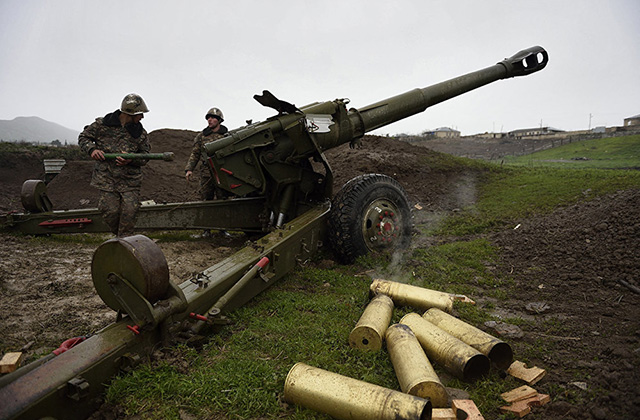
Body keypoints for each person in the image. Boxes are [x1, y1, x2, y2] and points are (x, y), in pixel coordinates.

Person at [78, 93, 151, 237]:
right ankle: (119, 238)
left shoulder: (140, 133)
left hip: (130, 180)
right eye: (140, 114)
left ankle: (124, 243)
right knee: (110, 211)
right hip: (107, 179)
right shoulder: (102, 125)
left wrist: (131, 159)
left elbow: (145, 155)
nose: (142, 117)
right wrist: (92, 149)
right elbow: (83, 137)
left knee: (130, 212)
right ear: (130, 113)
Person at [184, 107, 228, 200]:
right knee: (205, 198)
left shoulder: (226, 136)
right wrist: (189, 169)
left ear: (219, 120)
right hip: (206, 172)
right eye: (208, 118)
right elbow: (195, 153)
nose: (210, 120)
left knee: (223, 197)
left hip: (222, 171)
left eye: (213, 118)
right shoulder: (202, 136)